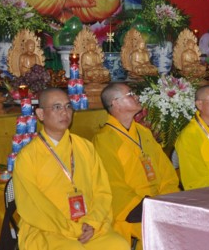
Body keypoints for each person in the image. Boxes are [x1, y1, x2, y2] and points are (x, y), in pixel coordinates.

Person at [13, 88, 129, 250]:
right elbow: (33, 205)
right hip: (47, 230)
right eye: (57, 107)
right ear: (40, 114)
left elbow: (102, 191)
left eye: (68, 106)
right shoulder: (27, 156)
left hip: (88, 226)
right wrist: (71, 229)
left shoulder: (85, 147)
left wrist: (92, 222)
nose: (64, 112)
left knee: (119, 245)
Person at [93, 83, 179, 246]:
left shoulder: (144, 132)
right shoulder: (104, 140)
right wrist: (148, 208)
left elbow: (166, 170)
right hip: (133, 212)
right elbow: (112, 184)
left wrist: (168, 198)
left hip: (159, 203)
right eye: (131, 94)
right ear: (115, 103)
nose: (137, 97)